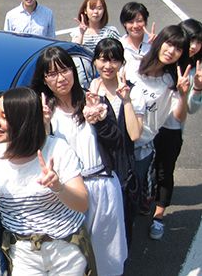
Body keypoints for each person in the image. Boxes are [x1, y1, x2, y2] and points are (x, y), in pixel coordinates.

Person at [0, 87, 90, 275]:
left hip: (66, 249)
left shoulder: (57, 149)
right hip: (23, 253)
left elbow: (82, 203)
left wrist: (58, 187)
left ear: (25, 122)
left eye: (5, 117)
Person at [31, 46, 127, 276]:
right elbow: (39, 155)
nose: (60, 78)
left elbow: (118, 144)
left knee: (108, 256)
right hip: (68, 190)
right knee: (72, 258)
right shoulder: (45, 111)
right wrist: (43, 124)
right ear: (44, 79)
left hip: (103, 186)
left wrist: (101, 121)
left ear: (73, 71)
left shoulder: (93, 100)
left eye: (64, 70)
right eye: (51, 73)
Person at [90, 38, 145, 246]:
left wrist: (126, 100)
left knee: (123, 221)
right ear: (95, 61)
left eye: (114, 60)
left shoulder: (133, 91)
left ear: (122, 63)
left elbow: (134, 134)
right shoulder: (91, 89)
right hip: (97, 164)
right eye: (103, 59)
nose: (108, 66)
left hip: (123, 165)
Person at [149, 19, 202, 239]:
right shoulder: (166, 60)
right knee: (146, 167)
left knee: (164, 170)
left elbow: (190, 109)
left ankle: (158, 216)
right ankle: (146, 200)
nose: (193, 46)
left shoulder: (195, 71)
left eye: (198, 41)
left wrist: (196, 87)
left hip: (170, 129)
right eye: (190, 39)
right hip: (149, 125)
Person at [119, 2, 155, 76]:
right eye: (130, 22)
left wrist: (159, 45)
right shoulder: (119, 45)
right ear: (124, 23)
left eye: (139, 21)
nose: (135, 26)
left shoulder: (154, 43)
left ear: (145, 22)